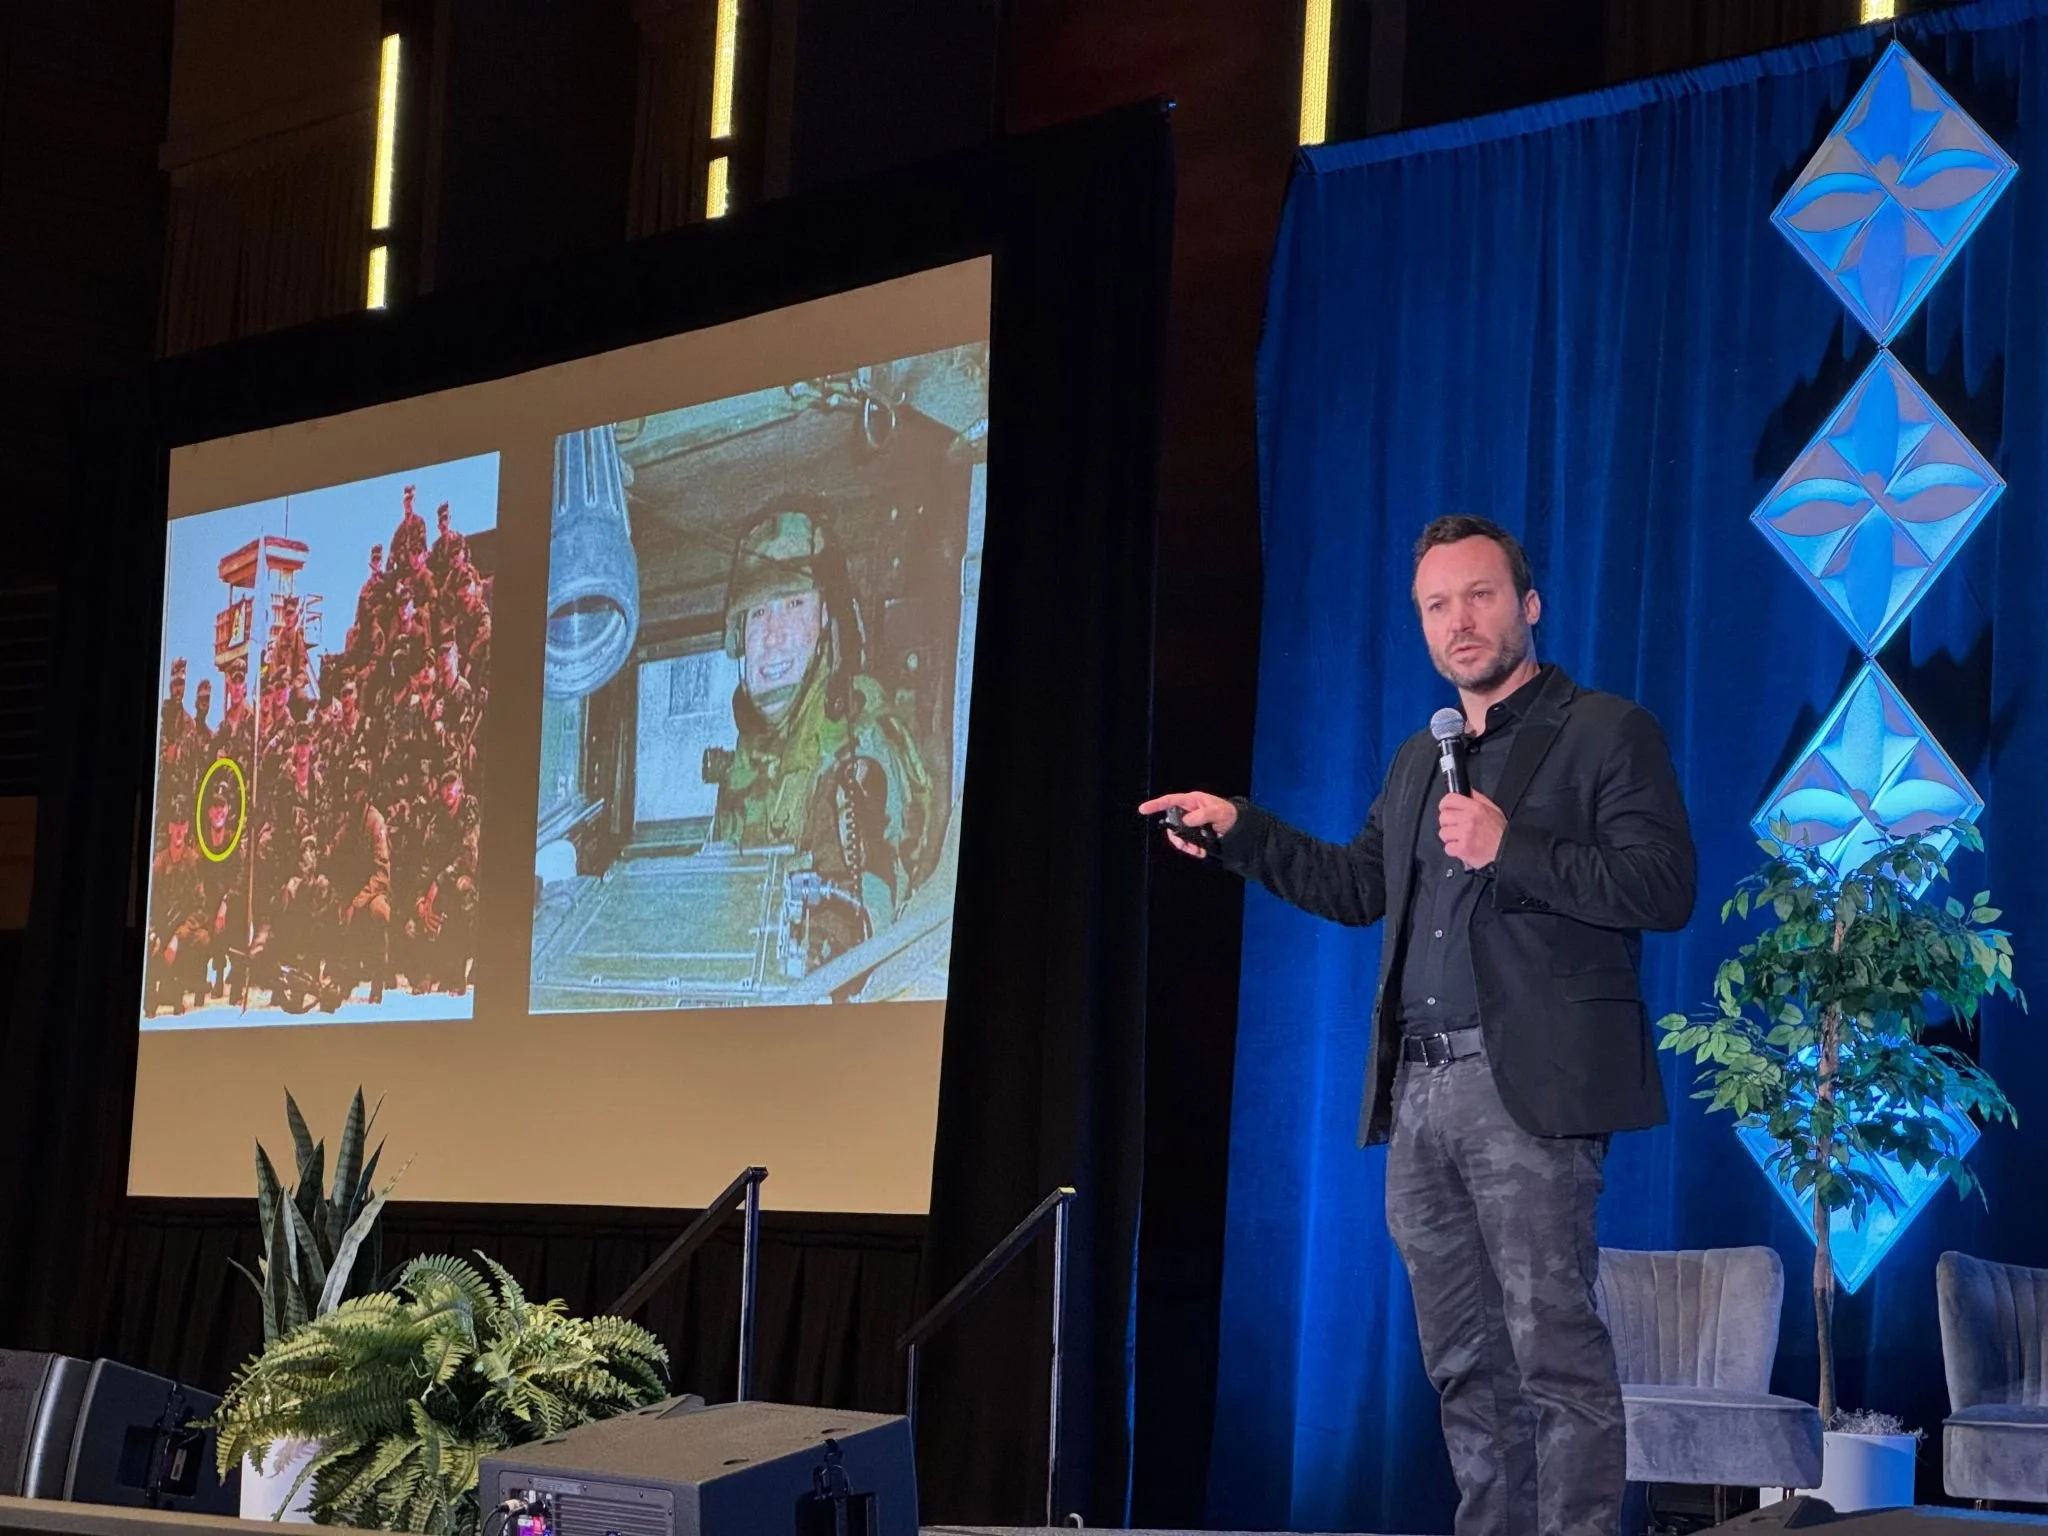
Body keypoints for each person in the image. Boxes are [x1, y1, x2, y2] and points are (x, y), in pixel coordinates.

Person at [1141, 515, 1695, 1536]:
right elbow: (1357, 888)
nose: (1458, 620)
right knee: (1463, 1365)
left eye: (1479, 595)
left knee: (1553, 1353)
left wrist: (1508, 845)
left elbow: (1663, 886)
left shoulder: (1605, 731)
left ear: (1528, 604)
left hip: (1527, 1090)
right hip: (1420, 1091)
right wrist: (1241, 831)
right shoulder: (1418, 761)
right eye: (1436, 605)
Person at [710, 504, 936, 969]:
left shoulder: (857, 741)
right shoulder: (752, 755)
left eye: (794, 605)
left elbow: (856, 927)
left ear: (826, 622)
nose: (771, 636)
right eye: (757, 614)